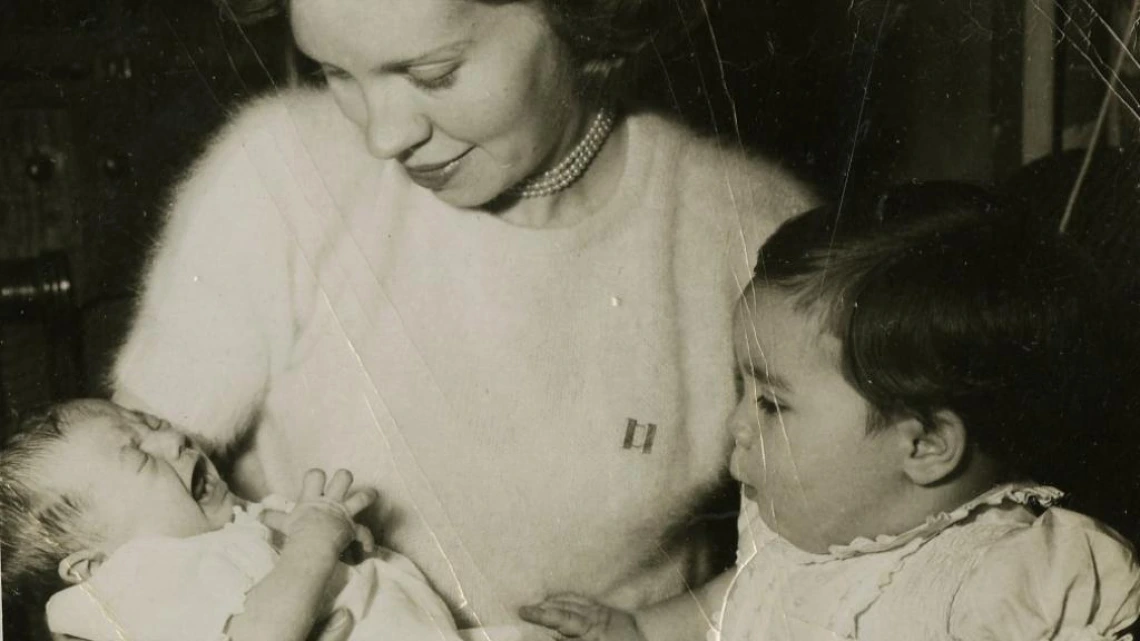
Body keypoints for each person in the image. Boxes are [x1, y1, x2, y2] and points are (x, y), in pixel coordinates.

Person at [108, 0, 815, 637]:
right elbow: (102, 517)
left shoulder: (751, 229)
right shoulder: (279, 171)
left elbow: (827, 562)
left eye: (434, 74)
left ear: (584, 21)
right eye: (333, 73)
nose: (383, 136)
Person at [519, 183, 1140, 640]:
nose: (736, 425)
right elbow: (740, 602)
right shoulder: (804, 526)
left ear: (923, 445)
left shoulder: (1004, 580)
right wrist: (638, 631)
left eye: (771, 403)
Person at [0, 399, 464, 641]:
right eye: (138, 456)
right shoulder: (143, 581)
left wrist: (341, 547)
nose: (174, 439)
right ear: (95, 567)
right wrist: (313, 543)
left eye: (152, 424)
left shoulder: (218, 530)